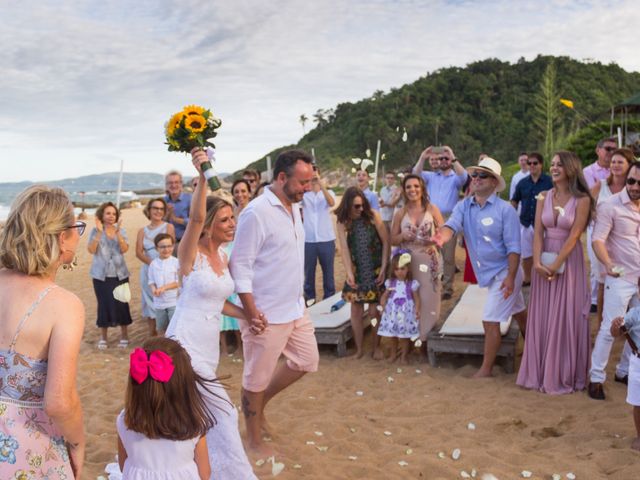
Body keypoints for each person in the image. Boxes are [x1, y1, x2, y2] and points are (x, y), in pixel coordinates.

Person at [165, 150, 256, 479]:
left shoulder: (222, 256)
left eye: (233, 218)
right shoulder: (189, 255)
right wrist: (204, 176)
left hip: (208, 345)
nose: (232, 224)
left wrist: (248, 316)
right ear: (210, 226)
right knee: (222, 412)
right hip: (184, 343)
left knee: (195, 415)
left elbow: (219, 303)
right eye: (226, 220)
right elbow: (195, 219)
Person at [230, 149, 320, 458]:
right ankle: (253, 439)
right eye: (303, 182)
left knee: (307, 361)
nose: (307, 188)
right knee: (254, 378)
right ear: (282, 178)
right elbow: (239, 266)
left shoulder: (293, 205)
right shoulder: (256, 213)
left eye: (309, 181)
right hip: (266, 314)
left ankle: (260, 405)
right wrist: (252, 313)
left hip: (295, 308)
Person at [0, 185, 85, 478]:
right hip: (25, 449)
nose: (78, 235)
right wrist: (77, 442)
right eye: (77, 227)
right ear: (62, 238)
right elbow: (59, 403)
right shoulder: (64, 305)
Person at [435, 157, 527, 378]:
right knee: (520, 312)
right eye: (474, 175)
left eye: (482, 175)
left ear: (494, 182)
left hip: (506, 271)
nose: (476, 179)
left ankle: (486, 369)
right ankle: (535, 348)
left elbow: (514, 248)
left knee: (490, 319)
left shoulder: (506, 211)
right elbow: (451, 225)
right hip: (488, 273)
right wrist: (439, 239)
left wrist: (511, 277)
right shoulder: (464, 205)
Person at [516, 151, 593, 394]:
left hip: (569, 262)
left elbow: (575, 235)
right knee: (544, 314)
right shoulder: (543, 196)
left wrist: (556, 264)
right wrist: (538, 262)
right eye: (553, 164)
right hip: (544, 257)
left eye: (560, 164)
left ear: (571, 168)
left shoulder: (582, 199)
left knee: (566, 314)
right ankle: (540, 372)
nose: (555, 168)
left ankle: (564, 372)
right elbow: (538, 232)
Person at [117, 337, 213, 479]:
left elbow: (122, 465)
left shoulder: (125, 420)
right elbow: (204, 474)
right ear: (184, 385)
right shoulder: (194, 423)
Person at [588, 160, 640, 400]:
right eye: (631, 180)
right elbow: (598, 239)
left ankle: (623, 371)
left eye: (639, 182)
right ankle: (596, 379)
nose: (635, 186)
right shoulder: (610, 205)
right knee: (611, 327)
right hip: (620, 277)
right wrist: (608, 264)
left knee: (638, 330)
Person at [390, 174, 444, 349]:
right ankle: (412, 340)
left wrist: (435, 240)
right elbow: (392, 239)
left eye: (416, 186)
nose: (412, 190)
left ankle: (427, 339)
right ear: (404, 191)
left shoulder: (432, 209)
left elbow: (444, 234)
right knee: (411, 299)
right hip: (408, 262)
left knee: (430, 299)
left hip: (429, 260)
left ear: (422, 188)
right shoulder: (400, 213)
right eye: (408, 187)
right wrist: (403, 236)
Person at [335, 187, 389, 359]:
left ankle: (376, 347)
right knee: (356, 312)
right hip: (358, 271)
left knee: (374, 312)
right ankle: (359, 350)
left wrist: (384, 267)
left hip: (375, 270)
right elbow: (344, 249)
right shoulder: (343, 222)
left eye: (361, 206)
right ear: (347, 206)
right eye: (355, 207)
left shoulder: (373, 215)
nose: (359, 210)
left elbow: (386, 243)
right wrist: (349, 273)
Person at [413, 145, 468, 300]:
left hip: (449, 218)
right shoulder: (430, 176)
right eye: (440, 158)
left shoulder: (455, 178)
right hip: (429, 217)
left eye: (445, 158)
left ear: (450, 160)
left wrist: (452, 155)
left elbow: (464, 177)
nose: (442, 161)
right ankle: (432, 285)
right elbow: (415, 174)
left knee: (448, 256)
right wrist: (423, 157)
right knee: (430, 254)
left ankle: (448, 287)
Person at [589, 149, 634, 327]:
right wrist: (595, 215)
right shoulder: (601, 185)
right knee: (602, 283)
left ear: (629, 165)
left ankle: (626, 325)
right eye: (613, 161)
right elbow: (587, 205)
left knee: (628, 282)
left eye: (620, 162)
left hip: (625, 242)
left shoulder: (633, 188)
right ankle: (601, 324)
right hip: (601, 241)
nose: (615, 165)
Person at [88, 201, 133, 349]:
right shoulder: (95, 231)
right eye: (108, 213)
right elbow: (91, 250)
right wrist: (100, 232)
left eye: (114, 213)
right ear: (102, 215)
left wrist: (118, 233)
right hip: (101, 276)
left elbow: (125, 249)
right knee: (104, 305)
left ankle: (124, 336)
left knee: (122, 304)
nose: (111, 216)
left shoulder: (122, 231)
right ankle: (103, 337)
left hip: (120, 274)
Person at [584, 136, 617, 311]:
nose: (611, 153)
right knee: (596, 264)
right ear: (598, 150)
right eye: (608, 149)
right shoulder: (588, 172)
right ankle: (595, 301)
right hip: (597, 224)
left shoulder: (621, 172)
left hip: (617, 225)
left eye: (614, 149)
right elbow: (588, 199)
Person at [511, 152, 553, 285]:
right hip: (526, 223)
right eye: (529, 163)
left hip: (544, 224)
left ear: (541, 164)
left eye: (535, 163)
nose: (532, 165)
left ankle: (545, 275)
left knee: (545, 252)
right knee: (526, 254)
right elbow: (514, 201)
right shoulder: (522, 183)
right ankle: (528, 278)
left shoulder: (550, 182)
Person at [221, 179, 251, 355]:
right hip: (235, 252)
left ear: (249, 192)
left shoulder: (255, 209)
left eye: (243, 191)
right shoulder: (233, 213)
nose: (240, 194)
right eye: (237, 191)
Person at [136, 198, 175, 336]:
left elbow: (170, 248)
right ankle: (153, 336)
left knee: (166, 301)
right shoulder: (142, 231)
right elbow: (138, 252)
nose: (158, 211)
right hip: (148, 270)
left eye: (161, 209)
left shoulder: (168, 227)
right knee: (149, 303)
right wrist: (153, 264)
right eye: (155, 208)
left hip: (166, 270)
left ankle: (168, 336)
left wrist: (160, 264)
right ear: (149, 210)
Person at [377, 250, 420, 364]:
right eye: (396, 269)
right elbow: (385, 296)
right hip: (393, 313)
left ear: (408, 269)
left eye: (402, 269)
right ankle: (393, 355)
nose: (399, 272)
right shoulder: (390, 283)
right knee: (393, 336)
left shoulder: (411, 283)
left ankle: (404, 356)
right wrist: (382, 306)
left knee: (405, 336)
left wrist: (417, 310)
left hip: (406, 314)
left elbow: (416, 298)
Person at [302, 165, 336, 303]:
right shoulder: (304, 195)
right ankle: (310, 300)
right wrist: (307, 184)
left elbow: (331, 202)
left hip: (326, 239)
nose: (314, 177)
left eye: (315, 174)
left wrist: (321, 184)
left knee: (328, 273)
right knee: (309, 273)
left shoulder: (329, 192)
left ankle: (329, 299)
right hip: (308, 240)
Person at [610, 309, 640, 451]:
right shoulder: (635, 314)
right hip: (637, 362)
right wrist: (615, 327)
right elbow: (617, 333)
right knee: (638, 403)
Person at [148, 233, 179, 336]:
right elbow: (151, 281)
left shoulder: (176, 262)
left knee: (174, 328)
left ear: (173, 246)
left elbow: (178, 282)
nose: (166, 249)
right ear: (157, 248)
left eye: (169, 246)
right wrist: (154, 290)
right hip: (159, 303)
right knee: (161, 328)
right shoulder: (153, 264)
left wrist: (164, 288)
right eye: (162, 247)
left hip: (173, 301)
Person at [164, 170, 192, 248]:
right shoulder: (163, 201)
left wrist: (174, 218)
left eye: (176, 182)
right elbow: (160, 223)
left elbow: (194, 222)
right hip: (168, 245)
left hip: (186, 243)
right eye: (170, 183)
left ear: (181, 184)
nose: (173, 185)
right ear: (166, 185)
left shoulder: (190, 199)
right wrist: (167, 215)